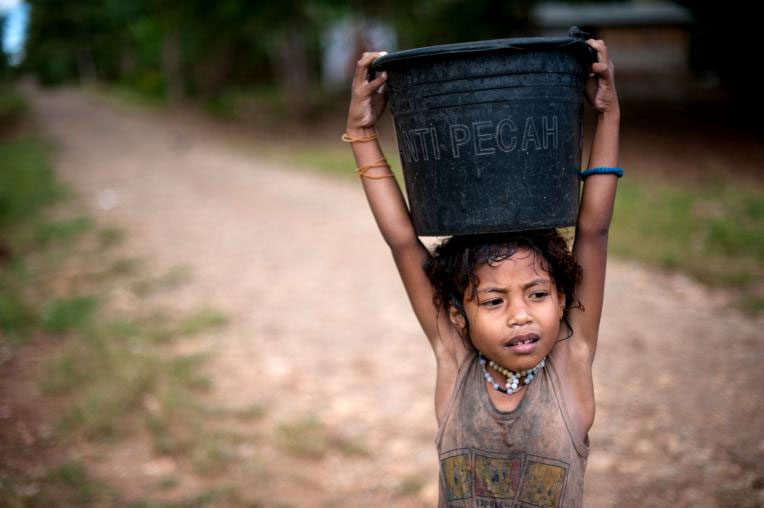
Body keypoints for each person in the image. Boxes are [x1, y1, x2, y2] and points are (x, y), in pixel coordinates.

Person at [344, 38, 620, 507]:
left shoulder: (568, 370)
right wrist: (361, 133)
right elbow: (402, 241)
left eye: (537, 294)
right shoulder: (457, 365)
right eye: (493, 301)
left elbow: (592, 231)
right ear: (457, 316)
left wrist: (607, 114)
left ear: (562, 298)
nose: (520, 315)